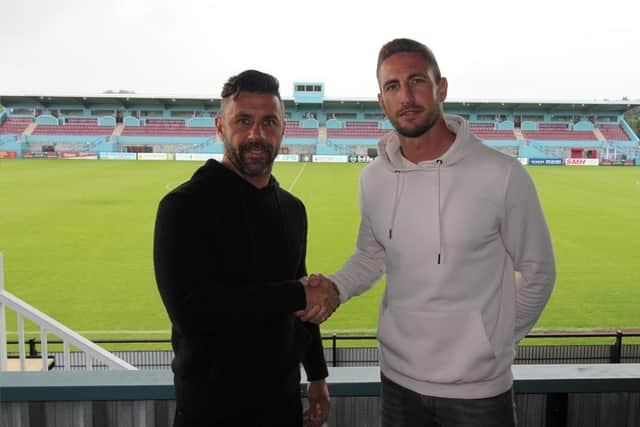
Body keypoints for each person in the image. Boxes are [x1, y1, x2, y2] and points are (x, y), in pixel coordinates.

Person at [300, 38, 556, 426]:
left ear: (442, 88)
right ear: (381, 99)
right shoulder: (374, 178)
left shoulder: (501, 175)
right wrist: (335, 287)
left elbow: (539, 271)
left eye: (417, 80)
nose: (406, 96)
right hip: (398, 382)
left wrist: (494, 343)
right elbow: (371, 256)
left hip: (479, 392)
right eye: (392, 86)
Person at [154, 69, 338, 427]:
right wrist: (295, 294)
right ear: (221, 127)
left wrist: (316, 374)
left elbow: (301, 297)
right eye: (244, 120)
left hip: (283, 405)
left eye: (269, 122)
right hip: (210, 410)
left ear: (283, 129)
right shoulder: (184, 206)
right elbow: (191, 312)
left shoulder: (292, 209)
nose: (257, 134)